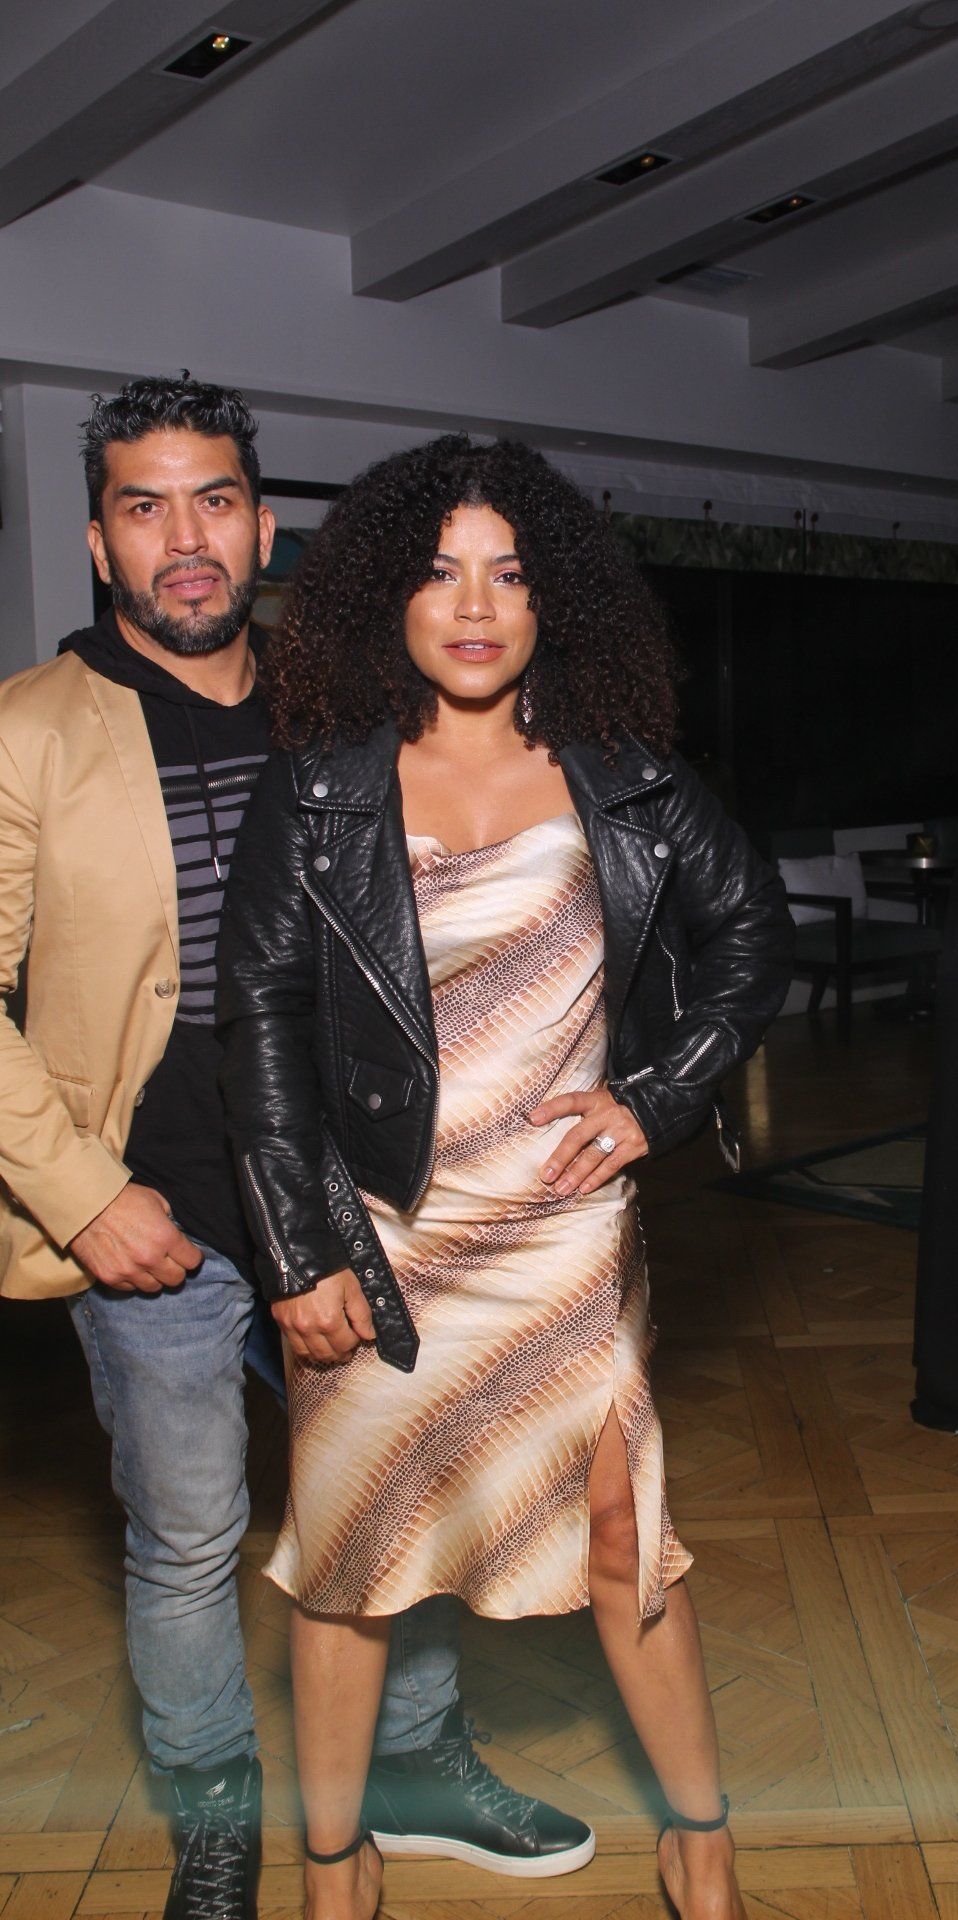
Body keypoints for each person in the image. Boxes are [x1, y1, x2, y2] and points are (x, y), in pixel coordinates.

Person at [0, 379, 591, 1920]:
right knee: (188, 1541)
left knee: (409, 1498)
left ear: (264, 529)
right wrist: (82, 1197)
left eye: (214, 501)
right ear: (99, 542)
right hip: (157, 1229)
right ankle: (213, 1818)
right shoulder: (27, 730)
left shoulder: (350, 708)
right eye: (144, 506)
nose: (184, 538)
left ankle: (417, 1771)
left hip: (356, 1203)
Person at [216, 434, 794, 1920]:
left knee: (624, 1539)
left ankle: (703, 1847)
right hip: (381, 1236)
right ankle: (334, 1873)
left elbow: (751, 935)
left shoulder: (628, 777)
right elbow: (260, 1020)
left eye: (511, 575)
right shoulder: (319, 791)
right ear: (387, 598)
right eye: (440, 572)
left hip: (567, 1235)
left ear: (555, 602)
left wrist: (657, 1098)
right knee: (350, 1558)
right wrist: (298, 1252)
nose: (475, 606)